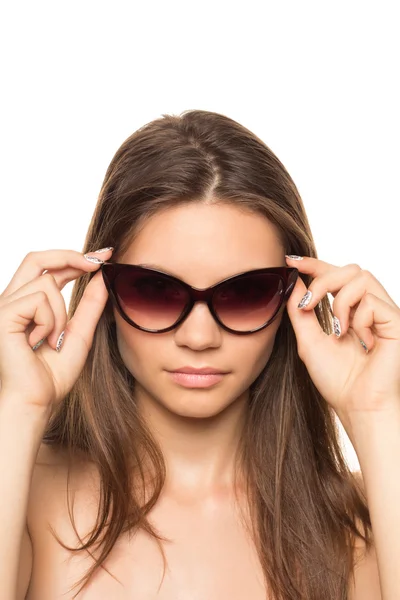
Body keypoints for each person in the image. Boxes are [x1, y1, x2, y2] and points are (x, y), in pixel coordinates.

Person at [1, 109, 392, 599]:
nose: (200, 337)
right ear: (104, 294)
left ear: (294, 299)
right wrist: (18, 406)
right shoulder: (24, 493)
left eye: (245, 293)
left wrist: (378, 411)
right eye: (155, 291)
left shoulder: (364, 518)